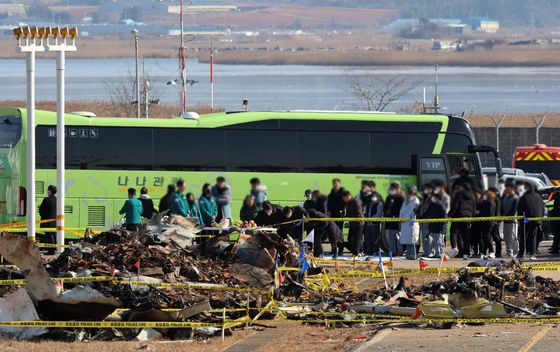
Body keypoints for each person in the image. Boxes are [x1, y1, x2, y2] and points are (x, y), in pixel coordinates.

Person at [517, 182, 545, 260]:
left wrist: (519, 219)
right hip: (537, 220)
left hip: (526, 220)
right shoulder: (539, 197)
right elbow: (543, 209)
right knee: (533, 237)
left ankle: (521, 254)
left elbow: (520, 209)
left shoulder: (524, 197)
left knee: (523, 237)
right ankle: (532, 254)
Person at [449, 183, 477, 260]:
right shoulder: (472, 197)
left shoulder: (459, 195)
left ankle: (454, 248)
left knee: (453, 232)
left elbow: (455, 206)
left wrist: (449, 215)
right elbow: (474, 209)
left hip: (458, 217)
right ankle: (466, 254)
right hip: (468, 218)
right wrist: (471, 220)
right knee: (465, 237)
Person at [363, 181, 384, 256]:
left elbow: (380, 207)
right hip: (367, 222)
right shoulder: (368, 197)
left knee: (375, 238)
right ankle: (369, 252)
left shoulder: (377, 196)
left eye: (369, 187)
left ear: (373, 187)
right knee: (368, 238)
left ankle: (376, 252)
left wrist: (375, 217)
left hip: (374, 223)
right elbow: (365, 207)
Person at [399, 185, 421, 259]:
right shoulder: (406, 200)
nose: (408, 192)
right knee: (407, 239)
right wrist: (400, 219)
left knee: (413, 240)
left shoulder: (416, 201)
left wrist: (411, 221)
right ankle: (408, 254)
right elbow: (401, 211)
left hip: (412, 223)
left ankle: (413, 254)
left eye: (410, 191)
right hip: (405, 223)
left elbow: (415, 212)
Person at [384, 182, 404, 255]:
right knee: (391, 238)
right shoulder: (389, 198)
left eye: (394, 189)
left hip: (397, 220)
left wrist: (397, 215)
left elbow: (401, 209)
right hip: (390, 221)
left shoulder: (401, 198)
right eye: (391, 189)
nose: (392, 190)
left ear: (398, 189)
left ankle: (400, 251)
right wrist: (387, 212)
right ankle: (392, 251)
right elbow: (385, 207)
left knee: (398, 237)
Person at [342, 191, 364, 257]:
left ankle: (356, 254)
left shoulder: (356, 202)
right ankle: (358, 252)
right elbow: (348, 213)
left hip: (358, 224)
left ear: (348, 196)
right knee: (349, 240)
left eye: (344, 198)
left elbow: (359, 214)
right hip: (352, 224)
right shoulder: (348, 203)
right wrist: (344, 217)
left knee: (356, 240)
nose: (344, 200)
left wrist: (350, 218)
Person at [426, 193, 447, 258]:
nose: (433, 199)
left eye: (434, 197)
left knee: (439, 242)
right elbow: (428, 213)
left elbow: (444, 218)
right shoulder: (433, 205)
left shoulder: (441, 206)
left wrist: (442, 228)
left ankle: (440, 254)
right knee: (435, 242)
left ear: (438, 198)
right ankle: (436, 253)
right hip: (433, 227)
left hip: (439, 228)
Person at [502, 183, 520, 257]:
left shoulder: (516, 198)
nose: (506, 190)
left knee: (513, 237)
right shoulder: (505, 198)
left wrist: (505, 215)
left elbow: (514, 210)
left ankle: (516, 252)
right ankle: (509, 252)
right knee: (506, 237)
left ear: (513, 189)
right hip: (505, 221)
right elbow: (502, 208)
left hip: (512, 221)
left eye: (508, 188)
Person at [480, 189, 499, 258]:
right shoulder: (487, 202)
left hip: (489, 222)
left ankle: (492, 251)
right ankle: (485, 252)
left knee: (487, 237)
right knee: (485, 237)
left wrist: (480, 213)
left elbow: (490, 213)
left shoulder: (490, 202)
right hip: (487, 222)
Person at [39, 184, 57, 252]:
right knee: (53, 235)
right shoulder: (57, 200)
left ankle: (51, 250)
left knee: (48, 235)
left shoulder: (46, 199)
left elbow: (41, 210)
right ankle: (54, 249)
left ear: (50, 191)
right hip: (55, 221)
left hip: (47, 221)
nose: (47, 192)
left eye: (48, 190)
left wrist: (43, 216)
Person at [419, 183, 435, 257]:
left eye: (427, 188)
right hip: (423, 219)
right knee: (424, 236)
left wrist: (425, 215)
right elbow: (421, 207)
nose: (426, 190)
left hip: (429, 219)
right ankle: (426, 251)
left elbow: (431, 209)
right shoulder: (424, 197)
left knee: (429, 236)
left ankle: (431, 252)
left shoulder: (433, 197)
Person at [549, 189, 560, 254]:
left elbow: (549, 208)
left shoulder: (555, 198)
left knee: (557, 235)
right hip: (556, 218)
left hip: (556, 219)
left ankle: (555, 249)